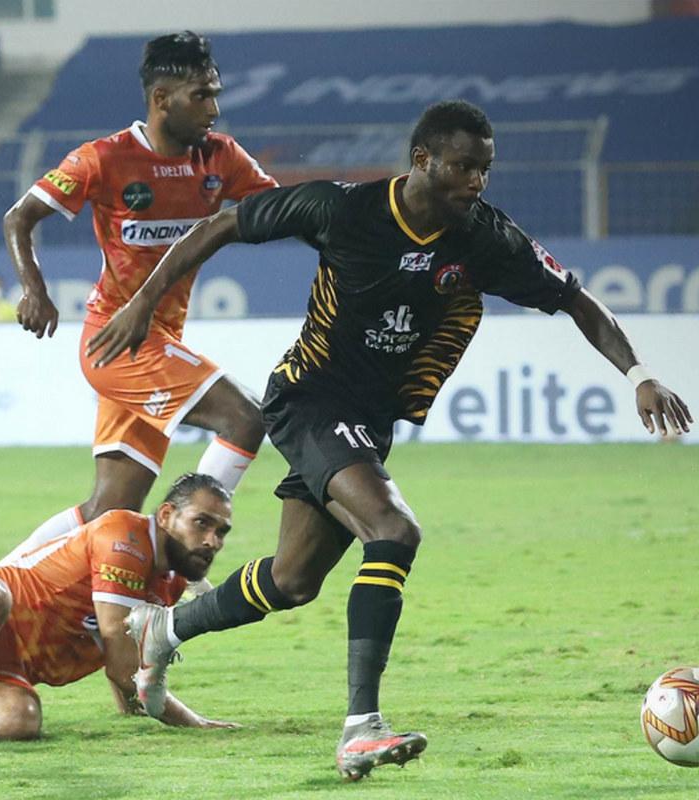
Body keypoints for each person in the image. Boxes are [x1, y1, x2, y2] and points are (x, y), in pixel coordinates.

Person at [86, 100, 693, 781]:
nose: (476, 181)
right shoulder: (343, 209)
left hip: (369, 422)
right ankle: (361, 729)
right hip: (309, 398)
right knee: (394, 530)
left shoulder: (486, 238)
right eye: (463, 166)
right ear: (422, 160)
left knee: (293, 580)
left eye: (485, 169)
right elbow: (222, 224)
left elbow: (577, 299)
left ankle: (163, 630)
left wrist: (640, 375)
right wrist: (143, 302)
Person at [2, 32, 278, 561]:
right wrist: (35, 291)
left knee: (109, 509)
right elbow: (20, 217)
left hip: (157, 340)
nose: (214, 109)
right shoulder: (104, 158)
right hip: (118, 341)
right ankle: (179, 554)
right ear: (161, 98)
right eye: (201, 95)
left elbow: (284, 211)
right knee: (246, 418)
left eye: (215, 94)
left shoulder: (221, 158)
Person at [0, 473, 237, 746]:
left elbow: (121, 655)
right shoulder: (125, 538)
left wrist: (132, 707)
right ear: (165, 515)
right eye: (201, 523)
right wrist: (193, 722)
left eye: (221, 531)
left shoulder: (170, 583)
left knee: (19, 718)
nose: (213, 541)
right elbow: (123, 664)